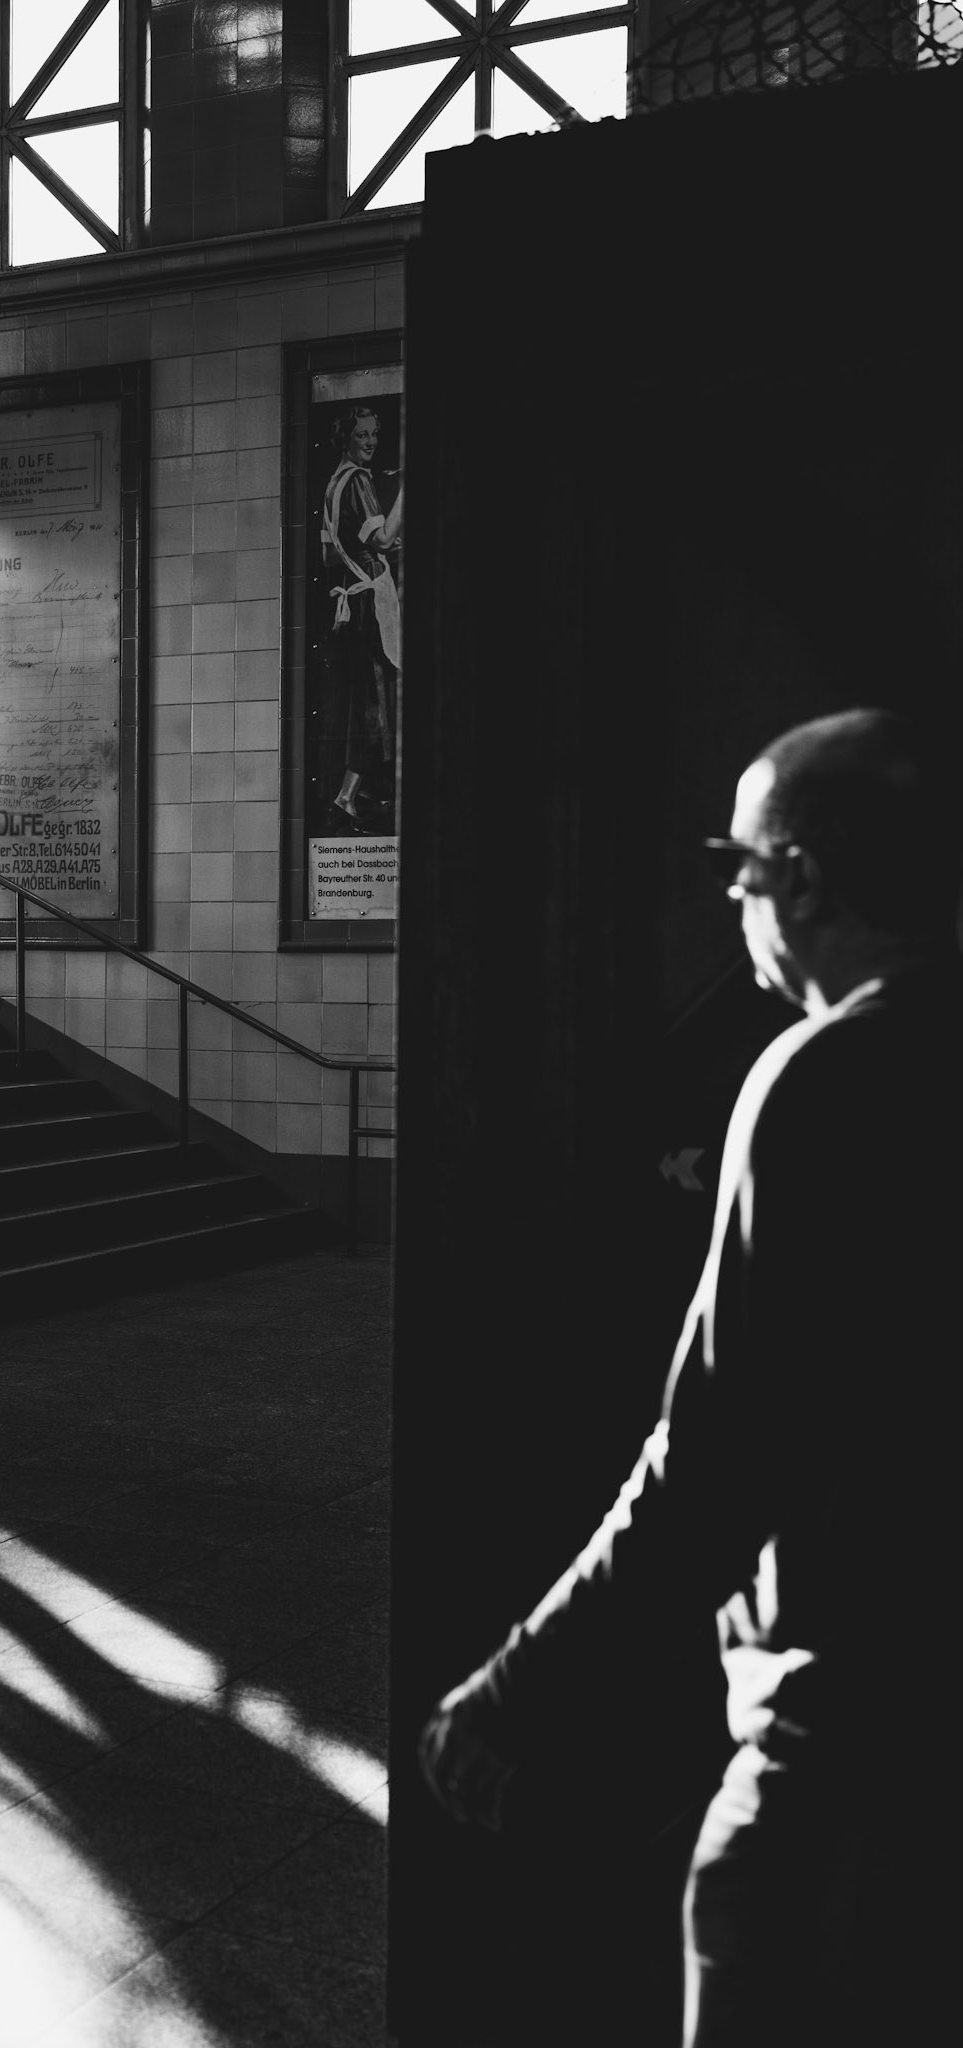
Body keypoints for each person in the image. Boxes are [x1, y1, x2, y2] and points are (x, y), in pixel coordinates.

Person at [418, 709, 963, 2044]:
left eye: (741, 865)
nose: (729, 896)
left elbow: (714, 1457)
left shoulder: (830, 1073)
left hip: (855, 1766)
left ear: (806, 880)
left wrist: (516, 1687)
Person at [318, 403, 402, 829]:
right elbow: (385, 539)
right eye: (362, 434)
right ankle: (348, 797)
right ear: (346, 437)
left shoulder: (333, 483)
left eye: (374, 434)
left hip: (350, 602)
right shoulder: (358, 480)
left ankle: (362, 790)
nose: (370, 442)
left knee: (364, 699)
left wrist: (363, 552)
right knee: (376, 699)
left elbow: (331, 553)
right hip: (368, 605)